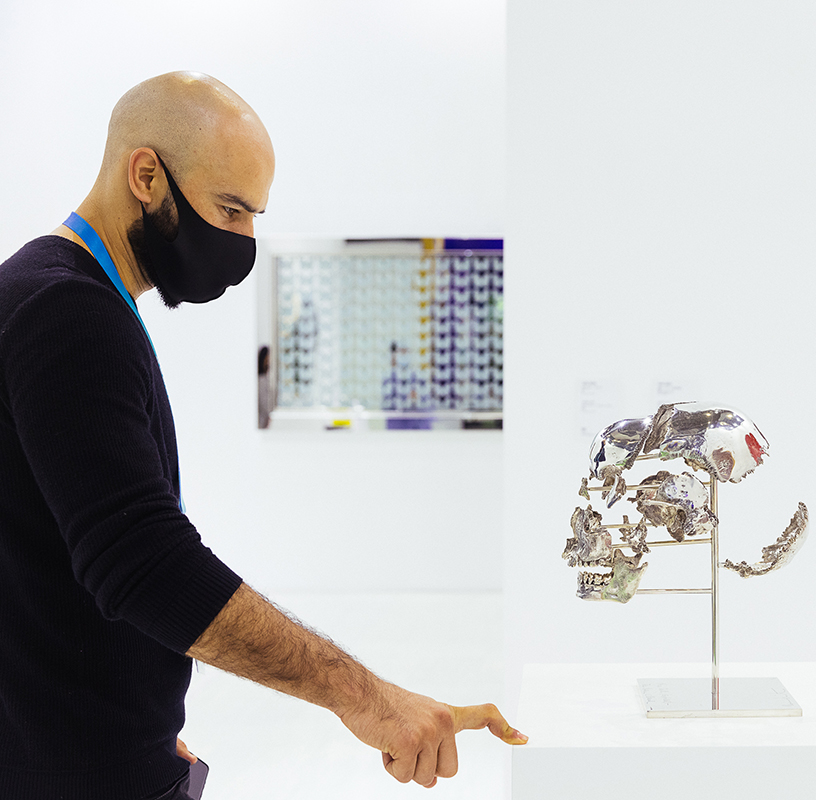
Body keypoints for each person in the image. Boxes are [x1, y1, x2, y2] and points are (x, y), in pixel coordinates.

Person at [0, 72, 524, 800]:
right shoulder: (68, 311)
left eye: (254, 216)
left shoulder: (42, 294)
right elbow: (142, 562)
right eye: (230, 209)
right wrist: (369, 700)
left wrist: (128, 721)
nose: (244, 242)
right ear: (146, 175)